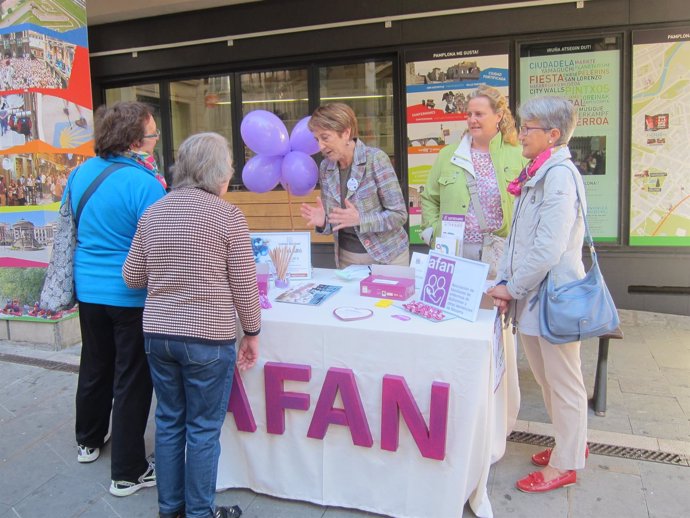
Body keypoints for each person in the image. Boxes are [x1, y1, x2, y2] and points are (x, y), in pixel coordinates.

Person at [123, 132, 260, 518]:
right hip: (208, 339)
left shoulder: (155, 211)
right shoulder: (227, 215)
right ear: (217, 173)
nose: (230, 175)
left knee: (168, 423)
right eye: (229, 168)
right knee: (201, 429)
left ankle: (171, 510)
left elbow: (132, 276)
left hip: (159, 335)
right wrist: (251, 332)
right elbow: (245, 285)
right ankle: (199, 513)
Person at [488, 96, 589, 493]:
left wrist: (511, 287)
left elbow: (548, 248)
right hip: (534, 297)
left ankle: (566, 462)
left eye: (529, 127)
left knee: (563, 382)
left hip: (554, 299)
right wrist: (508, 281)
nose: (521, 132)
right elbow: (520, 240)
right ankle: (569, 444)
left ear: (553, 134)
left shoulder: (559, 176)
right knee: (549, 381)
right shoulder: (540, 171)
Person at [71, 101, 166, 497]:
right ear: (134, 140)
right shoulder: (145, 184)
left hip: (87, 288)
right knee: (131, 377)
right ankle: (128, 472)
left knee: (94, 363)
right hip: (130, 294)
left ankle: (88, 441)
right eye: (152, 134)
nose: (156, 140)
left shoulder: (79, 173)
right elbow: (160, 243)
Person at [420, 85, 526, 275]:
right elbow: (429, 198)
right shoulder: (447, 155)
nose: (472, 120)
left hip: (500, 251)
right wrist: (433, 231)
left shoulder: (518, 154)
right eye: (469, 114)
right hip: (452, 251)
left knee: (493, 304)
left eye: (479, 114)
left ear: (499, 116)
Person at [300, 102, 409, 268]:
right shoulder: (325, 168)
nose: (320, 146)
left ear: (345, 132)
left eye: (325, 137)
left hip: (387, 257)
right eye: (317, 139)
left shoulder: (375, 159)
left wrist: (360, 219)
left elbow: (399, 215)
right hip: (347, 258)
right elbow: (338, 222)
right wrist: (324, 221)